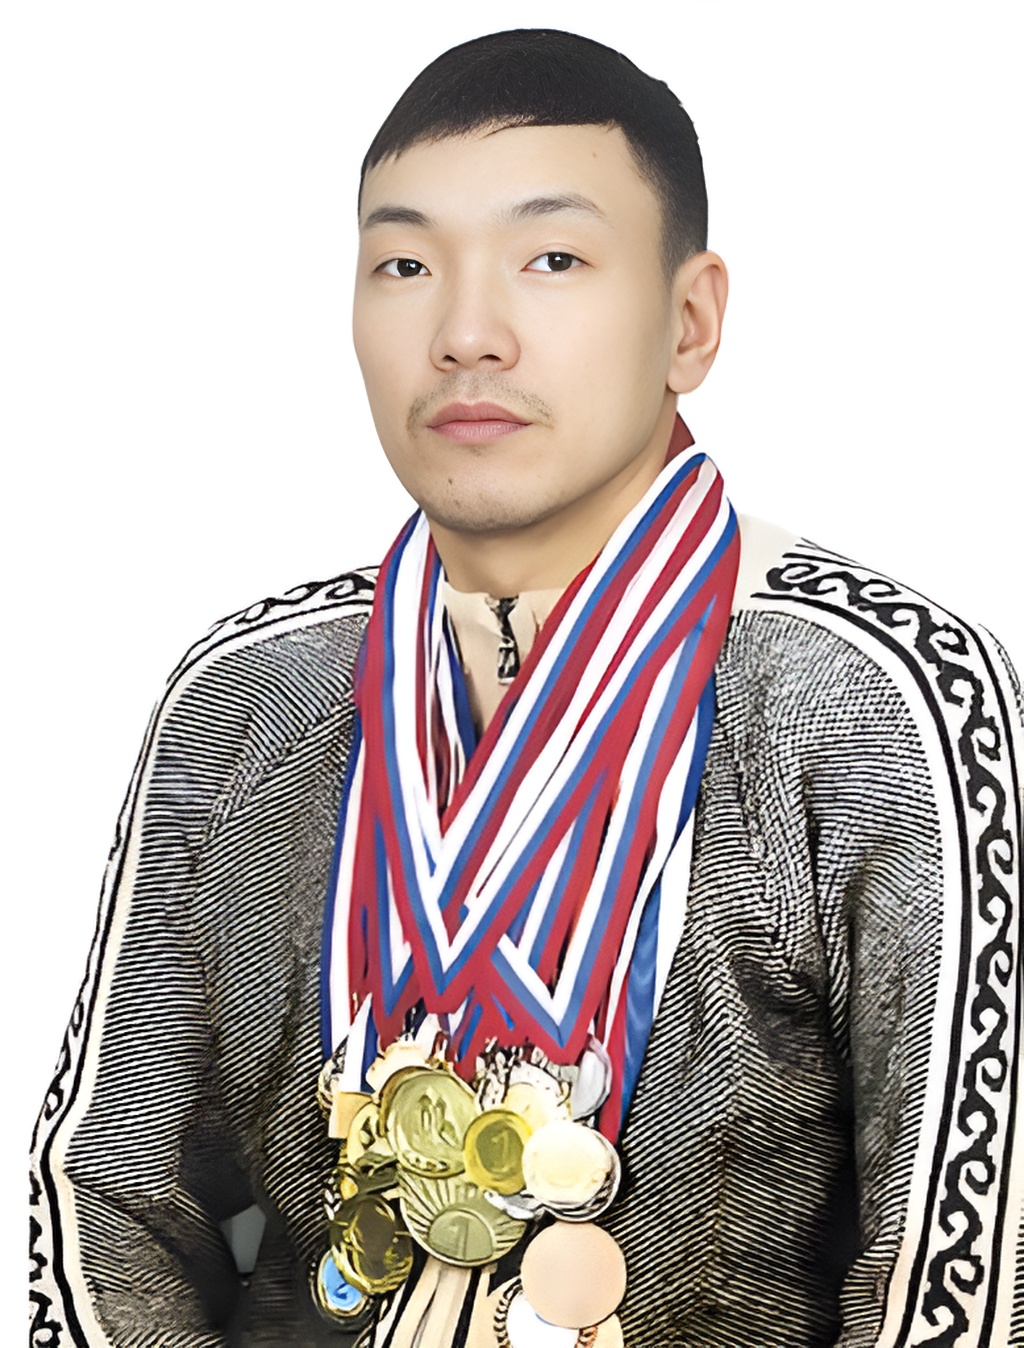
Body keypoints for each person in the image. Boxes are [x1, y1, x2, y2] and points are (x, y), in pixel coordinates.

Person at [29, 27, 1023, 1348]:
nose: (465, 335)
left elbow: (960, 1280)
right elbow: (107, 1205)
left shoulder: (885, 693)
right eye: (404, 265)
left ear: (689, 322)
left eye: (552, 259)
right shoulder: (247, 692)